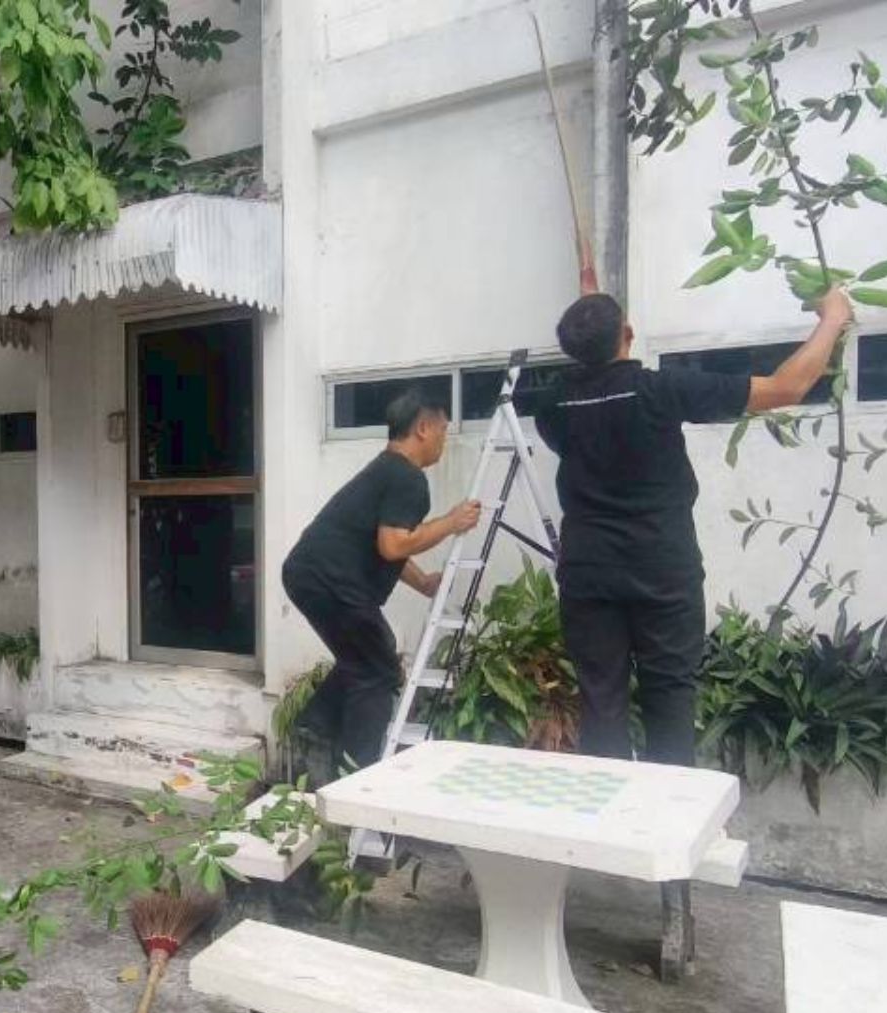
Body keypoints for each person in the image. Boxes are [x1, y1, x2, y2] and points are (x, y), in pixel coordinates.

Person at [530, 287, 852, 767]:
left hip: (588, 570)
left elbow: (588, 408)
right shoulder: (661, 390)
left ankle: (606, 808)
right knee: (669, 699)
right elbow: (786, 387)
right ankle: (667, 811)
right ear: (628, 335)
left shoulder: (553, 406)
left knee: (601, 701)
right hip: (661, 568)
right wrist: (832, 319)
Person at [281, 393, 482, 784]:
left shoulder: (386, 470)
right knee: (378, 671)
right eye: (443, 429)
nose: (444, 438)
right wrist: (451, 522)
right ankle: (357, 776)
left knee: (365, 658)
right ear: (422, 428)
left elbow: (383, 545)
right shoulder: (407, 478)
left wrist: (423, 582)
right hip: (330, 579)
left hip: (309, 574)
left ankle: (315, 726)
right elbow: (393, 544)